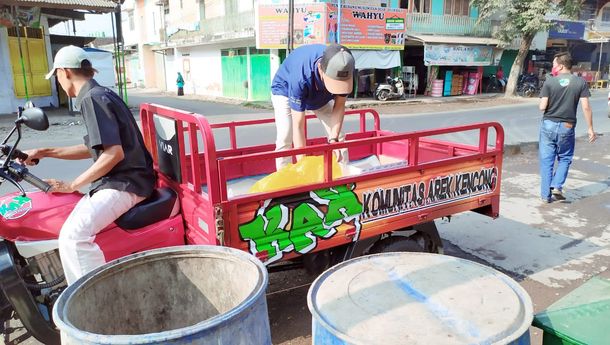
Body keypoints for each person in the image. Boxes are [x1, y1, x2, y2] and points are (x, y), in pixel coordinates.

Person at [22, 45, 156, 285]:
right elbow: (96, 147)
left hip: (126, 184)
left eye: (57, 77)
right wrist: (45, 151)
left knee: (74, 237)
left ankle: (93, 307)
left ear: (64, 72)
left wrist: (72, 184)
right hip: (124, 180)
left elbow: (113, 154)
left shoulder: (92, 99)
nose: (59, 84)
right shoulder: (99, 93)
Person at [271, 44, 355, 170]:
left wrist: (333, 140)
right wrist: (303, 165)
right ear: (320, 68)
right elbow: (298, 125)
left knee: (339, 137)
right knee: (285, 136)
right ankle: (285, 180)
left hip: (320, 94)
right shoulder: (300, 77)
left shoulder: (345, 67)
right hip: (285, 89)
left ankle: (342, 176)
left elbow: (339, 105)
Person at [538, 52, 596, 203]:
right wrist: (590, 128)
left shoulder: (549, 82)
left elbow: (542, 107)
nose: (553, 67)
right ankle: (557, 185)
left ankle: (545, 196)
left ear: (561, 65)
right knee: (564, 157)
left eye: (554, 64)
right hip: (567, 126)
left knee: (547, 161)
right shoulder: (580, 82)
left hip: (548, 124)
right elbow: (586, 107)